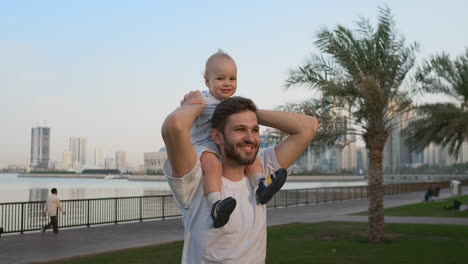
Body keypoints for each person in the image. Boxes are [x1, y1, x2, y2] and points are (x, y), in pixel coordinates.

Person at [162, 94, 319, 263]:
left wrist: (250, 113)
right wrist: (195, 106)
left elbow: (309, 126)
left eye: (255, 129)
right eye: (240, 129)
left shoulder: (262, 173)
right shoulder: (197, 179)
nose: (250, 138)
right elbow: (174, 126)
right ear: (217, 137)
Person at [189, 50, 287, 228]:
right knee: (213, 166)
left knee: (251, 159)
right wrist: (188, 103)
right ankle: (216, 204)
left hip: (224, 145)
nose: (227, 83)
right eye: (220, 79)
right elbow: (184, 115)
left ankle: (260, 186)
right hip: (204, 145)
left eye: (232, 79)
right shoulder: (202, 99)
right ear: (207, 81)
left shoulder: (233, 103)